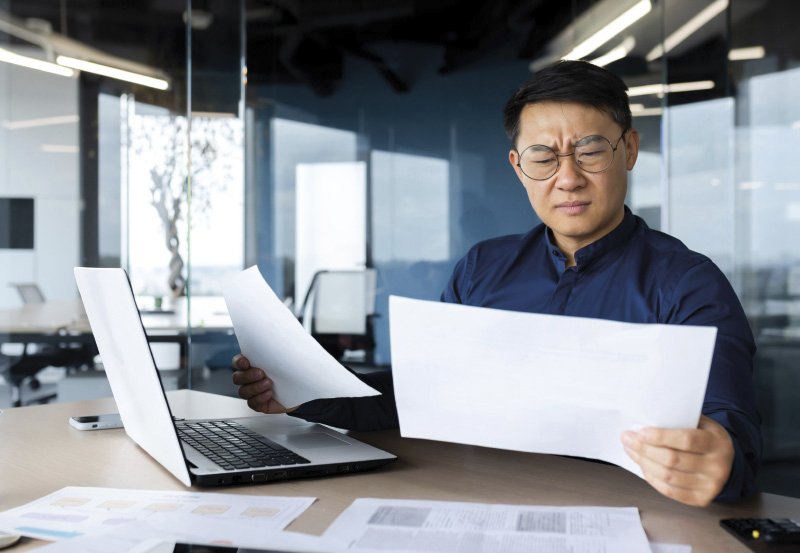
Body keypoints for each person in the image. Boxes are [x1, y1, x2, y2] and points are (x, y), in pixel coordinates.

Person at [232, 60, 761, 508]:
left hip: (623, 517)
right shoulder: (482, 268)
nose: (568, 177)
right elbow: (416, 400)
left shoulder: (689, 283)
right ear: (517, 166)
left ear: (629, 150)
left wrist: (721, 456)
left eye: (591, 150)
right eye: (544, 157)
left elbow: (729, 428)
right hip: (475, 505)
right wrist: (304, 394)